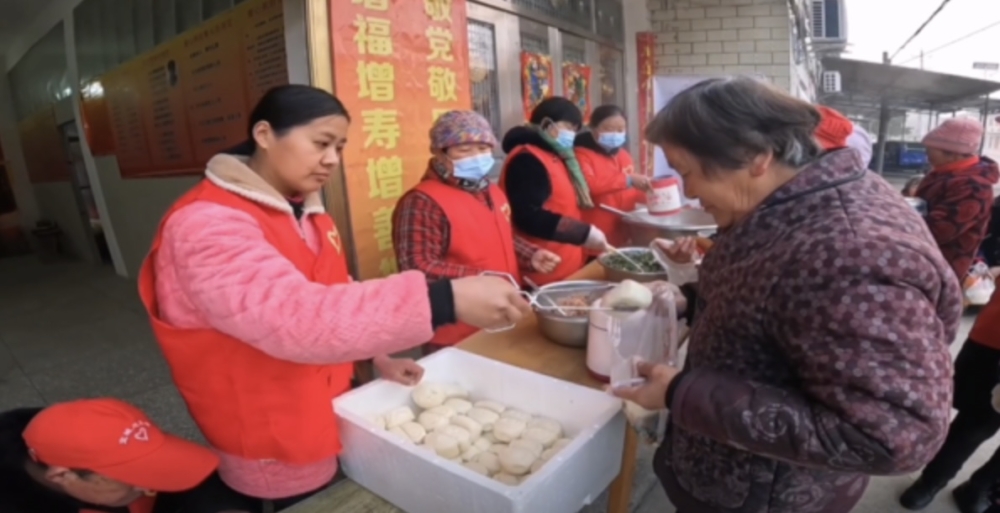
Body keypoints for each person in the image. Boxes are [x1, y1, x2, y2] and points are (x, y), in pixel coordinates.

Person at [138, 85, 529, 510]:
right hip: (267, 427)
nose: (332, 159)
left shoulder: (301, 209)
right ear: (265, 134)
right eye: (321, 143)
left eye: (340, 147)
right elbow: (294, 318)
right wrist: (442, 300)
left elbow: (333, 291)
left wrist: (376, 354)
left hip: (320, 403)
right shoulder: (206, 224)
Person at [612, 76, 962, 513]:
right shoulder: (797, 200)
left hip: (766, 494)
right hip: (727, 467)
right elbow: (776, 295)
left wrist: (680, 394)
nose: (691, 192)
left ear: (757, 157)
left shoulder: (851, 253)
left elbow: (891, 437)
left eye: (687, 172)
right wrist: (694, 299)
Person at [393, 110, 561, 350]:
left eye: (483, 149)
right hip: (455, 331)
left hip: (503, 315)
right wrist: (482, 278)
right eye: (464, 150)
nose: (477, 156)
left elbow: (497, 234)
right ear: (440, 153)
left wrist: (530, 254)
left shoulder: (490, 190)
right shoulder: (422, 201)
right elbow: (417, 266)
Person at [0, 398, 222, 513]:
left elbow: (191, 476)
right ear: (61, 476)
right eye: (131, 476)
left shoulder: (86, 427)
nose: (149, 486)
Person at [501, 97, 609, 285]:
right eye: (567, 126)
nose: (571, 134)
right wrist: (581, 233)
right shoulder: (527, 160)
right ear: (546, 123)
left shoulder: (558, 156)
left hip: (564, 264)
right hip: (542, 267)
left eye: (575, 129)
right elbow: (528, 216)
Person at [914, 117, 999, 282]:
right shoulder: (944, 173)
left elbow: (939, 231)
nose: (926, 155)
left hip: (941, 270)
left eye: (930, 150)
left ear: (951, 153)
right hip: (925, 259)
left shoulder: (972, 187)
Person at [573, 105, 651, 247]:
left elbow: (630, 190)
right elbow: (589, 186)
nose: (615, 134)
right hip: (595, 231)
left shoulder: (623, 155)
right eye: (608, 129)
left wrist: (650, 194)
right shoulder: (581, 154)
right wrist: (628, 180)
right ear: (593, 128)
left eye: (621, 130)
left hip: (622, 229)